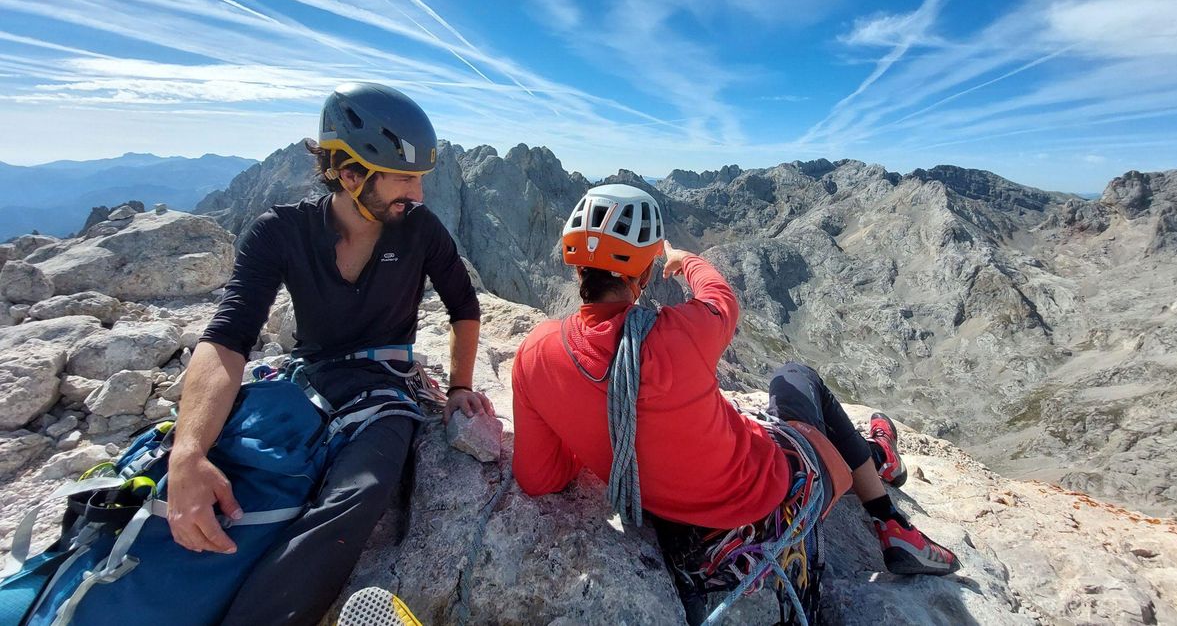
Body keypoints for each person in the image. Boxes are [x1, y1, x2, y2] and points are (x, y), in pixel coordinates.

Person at [511, 184, 958, 623]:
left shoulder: (535, 354)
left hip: (671, 523)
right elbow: (720, 298)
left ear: (576, 269)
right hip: (762, 496)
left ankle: (878, 459)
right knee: (795, 379)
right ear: (644, 276)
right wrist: (686, 262)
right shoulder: (681, 333)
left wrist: (593, 433)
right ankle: (889, 514)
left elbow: (539, 477)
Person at [168, 82, 494, 624]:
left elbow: (464, 306)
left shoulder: (419, 229)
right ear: (350, 174)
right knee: (230, 470)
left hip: (386, 390)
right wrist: (188, 452)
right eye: (405, 179)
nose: (419, 194)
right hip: (310, 381)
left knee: (358, 495)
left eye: (420, 179)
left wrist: (459, 386)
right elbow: (226, 339)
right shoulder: (280, 232)